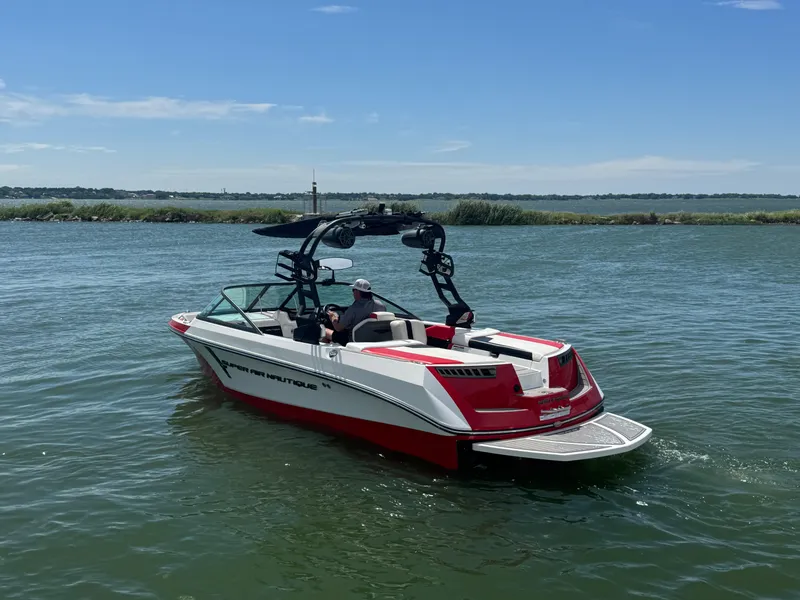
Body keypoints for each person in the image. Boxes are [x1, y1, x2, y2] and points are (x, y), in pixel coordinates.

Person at [325, 278, 386, 345]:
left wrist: (333, 317)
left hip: (353, 340)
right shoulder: (381, 305)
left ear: (357, 292)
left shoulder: (353, 309)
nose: (353, 293)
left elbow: (338, 328)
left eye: (353, 290)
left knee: (323, 330)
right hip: (374, 338)